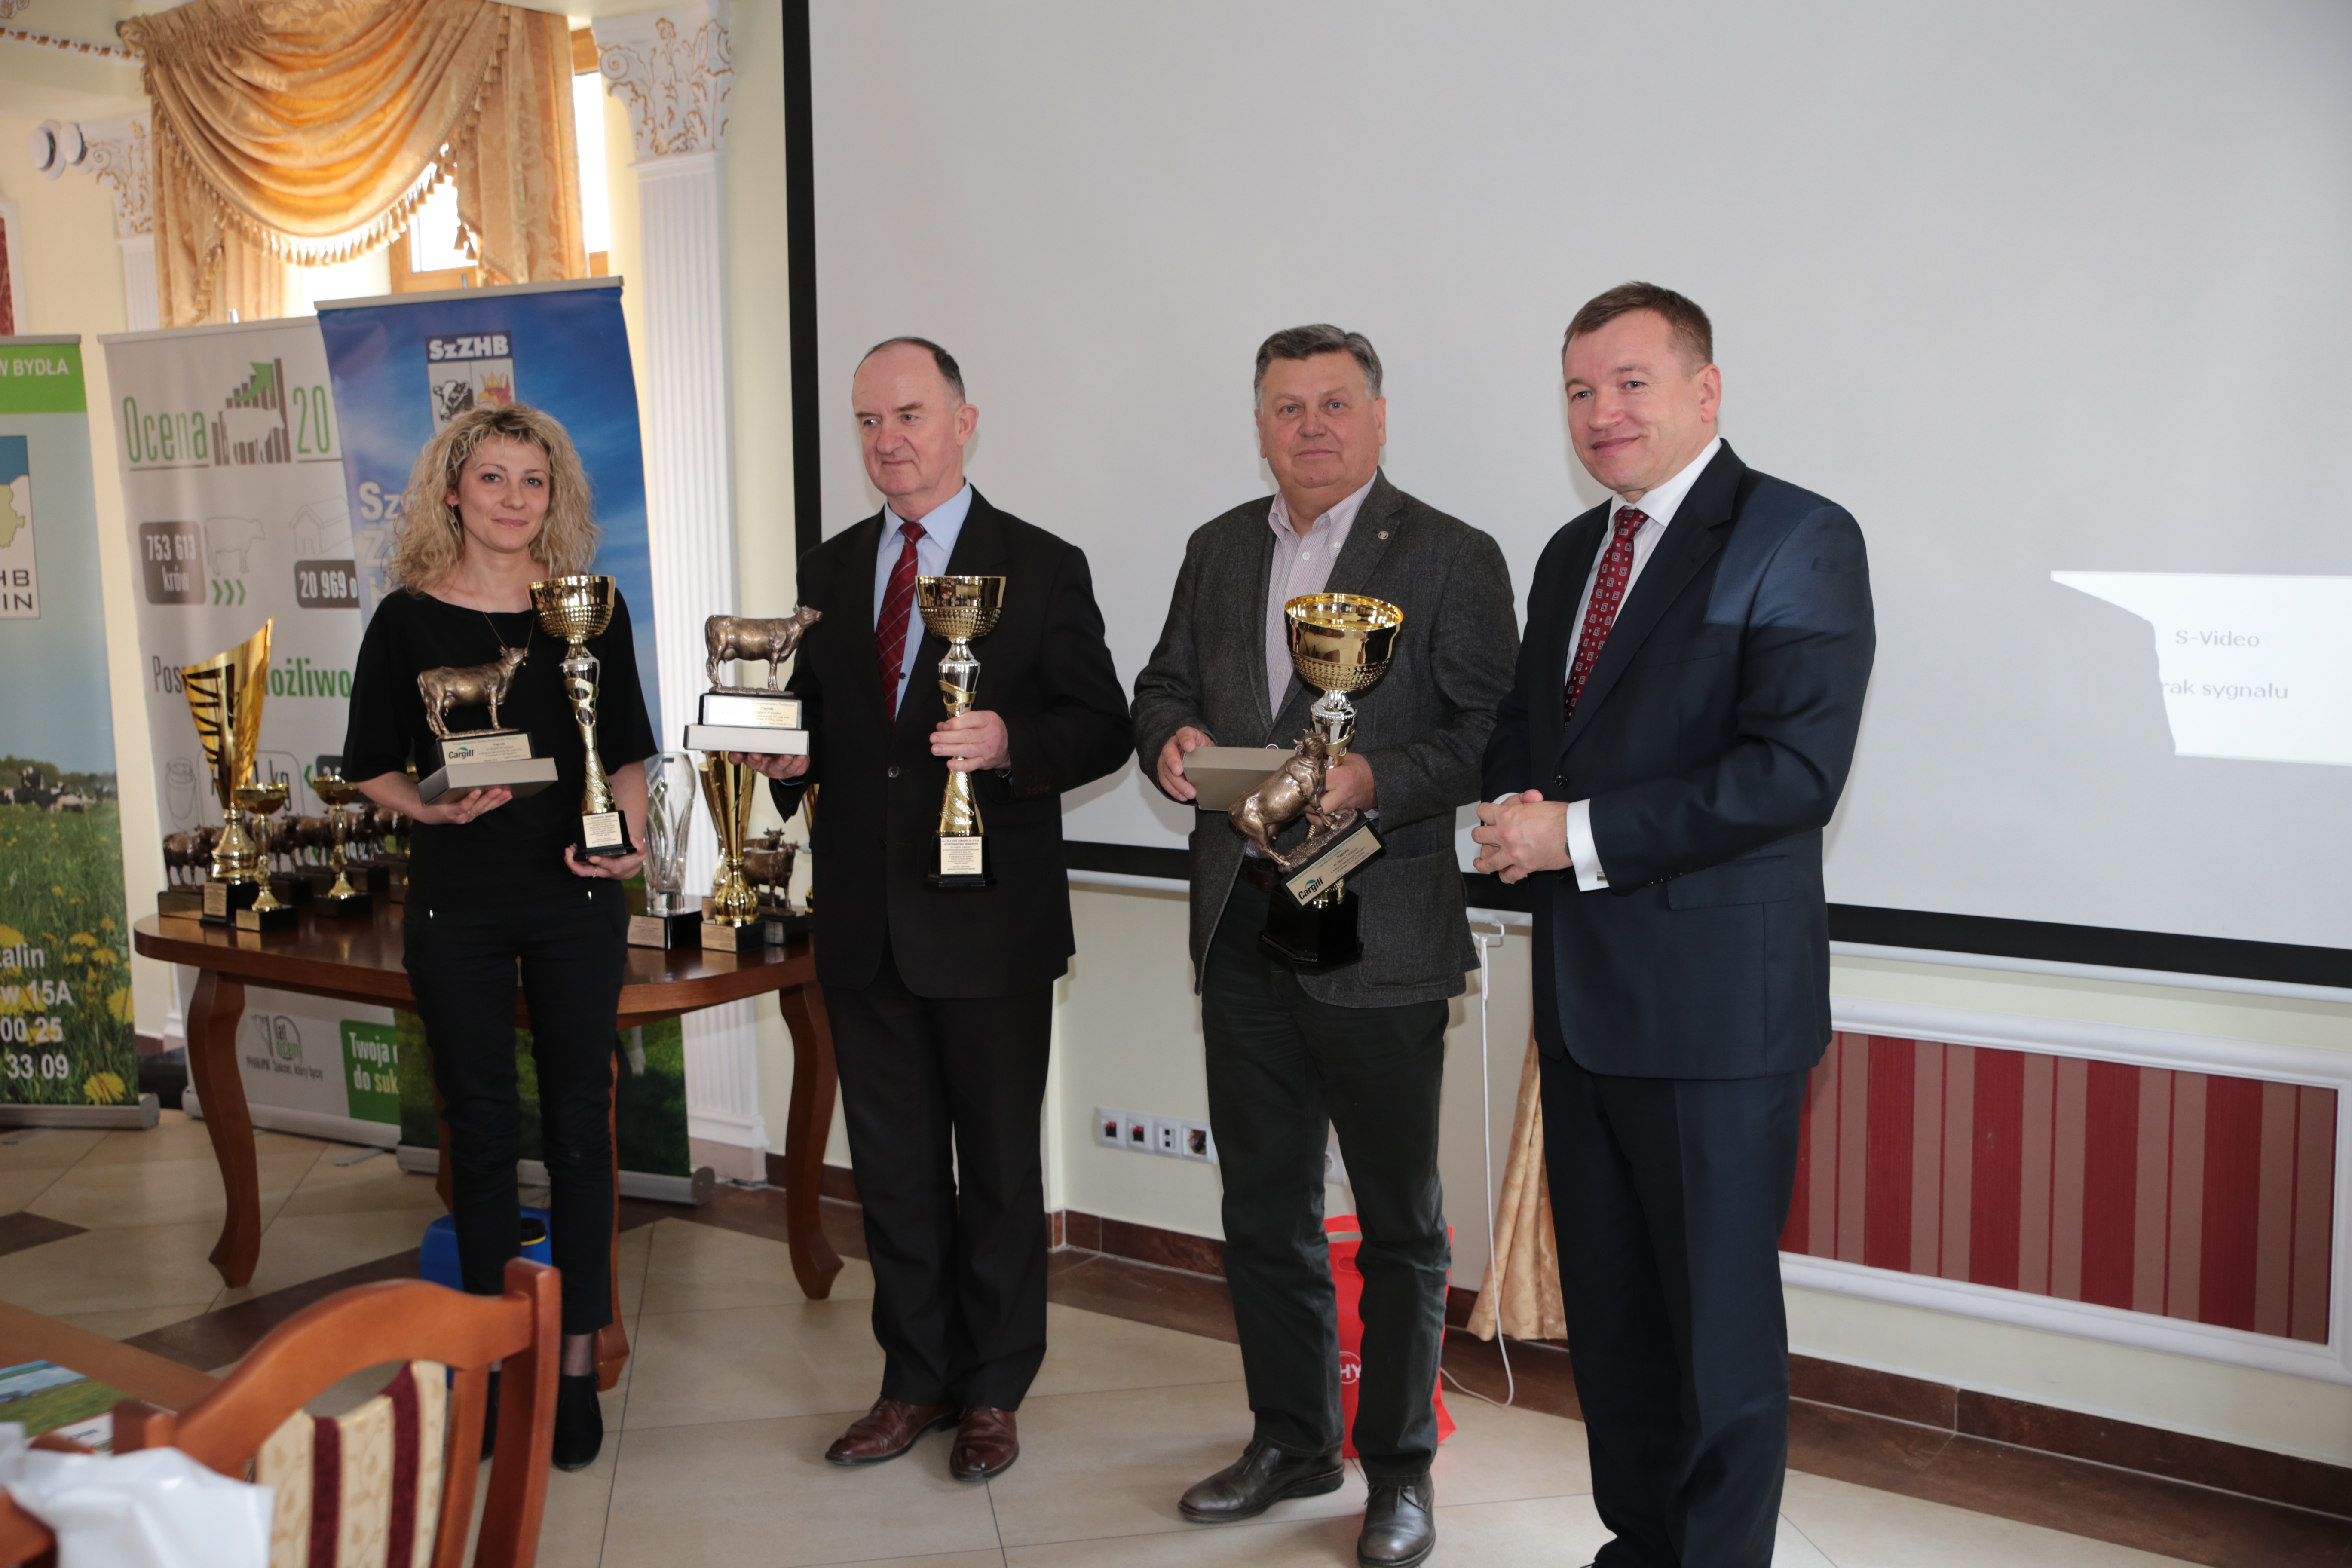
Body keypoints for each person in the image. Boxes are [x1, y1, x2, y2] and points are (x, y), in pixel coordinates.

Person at [1473, 282, 1876, 1568]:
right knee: (1620, 1329)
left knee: (1715, 1338)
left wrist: (1575, 835)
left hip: (1717, 1020)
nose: (1603, 412)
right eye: (1580, 391)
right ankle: (1641, 1548)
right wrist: (1509, 809)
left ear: (1706, 391)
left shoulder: (1798, 536)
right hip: (1585, 1009)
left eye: (1631, 383)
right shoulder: (1569, 554)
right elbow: (1531, 734)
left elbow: (1791, 774)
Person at [1132, 325, 1517, 1568]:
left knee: (1401, 1225)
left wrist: (1373, 779)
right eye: (1287, 406)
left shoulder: (1451, 554)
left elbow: (1488, 733)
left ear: (1379, 418)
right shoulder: (1217, 547)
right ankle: (1292, 1442)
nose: (1311, 427)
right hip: (1244, 923)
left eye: (1335, 403)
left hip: (1379, 928)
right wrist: (1168, 743)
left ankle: (1398, 1471)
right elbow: (1161, 684)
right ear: (1259, 425)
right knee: (1264, 1210)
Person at [735, 337, 1130, 1481]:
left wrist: (1010, 744)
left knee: (999, 1172)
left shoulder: (1041, 565)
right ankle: (912, 1380)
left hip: (990, 924)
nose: (887, 441)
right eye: (868, 421)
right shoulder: (832, 566)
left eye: (909, 415)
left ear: (964, 422)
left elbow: (1102, 724)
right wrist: (787, 759)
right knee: (896, 1173)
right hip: (866, 928)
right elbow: (826, 727)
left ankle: (993, 1391)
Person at [342, 403, 655, 1473]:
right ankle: (482, 1366)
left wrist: (630, 842)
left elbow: (625, 753)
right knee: (477, 1132)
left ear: (553, 497)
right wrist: (427, 811)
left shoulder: (590, 611)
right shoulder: (404, 620)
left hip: (574, 898)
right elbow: (371, 763)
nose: (514, 499)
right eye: (493, 478)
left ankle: (573, 1368)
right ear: (452, 493)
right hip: (458, 903)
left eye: (534, 481)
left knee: (579, 1131)